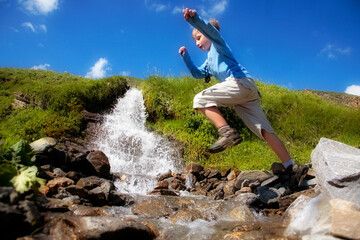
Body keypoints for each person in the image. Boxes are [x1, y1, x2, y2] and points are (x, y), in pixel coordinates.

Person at [178, 8, 308, 189]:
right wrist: (185, 56)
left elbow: (209, 29)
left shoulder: (218, 43)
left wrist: (195, 19)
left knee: (199, 100)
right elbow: (197, 74)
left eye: (198, 38)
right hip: (244, 94)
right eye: (195, 41)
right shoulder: (209, 60)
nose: (197, 43)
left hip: (240, 82)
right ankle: (292, 167)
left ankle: (226, 132)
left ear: (208, 33)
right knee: (263, 130)